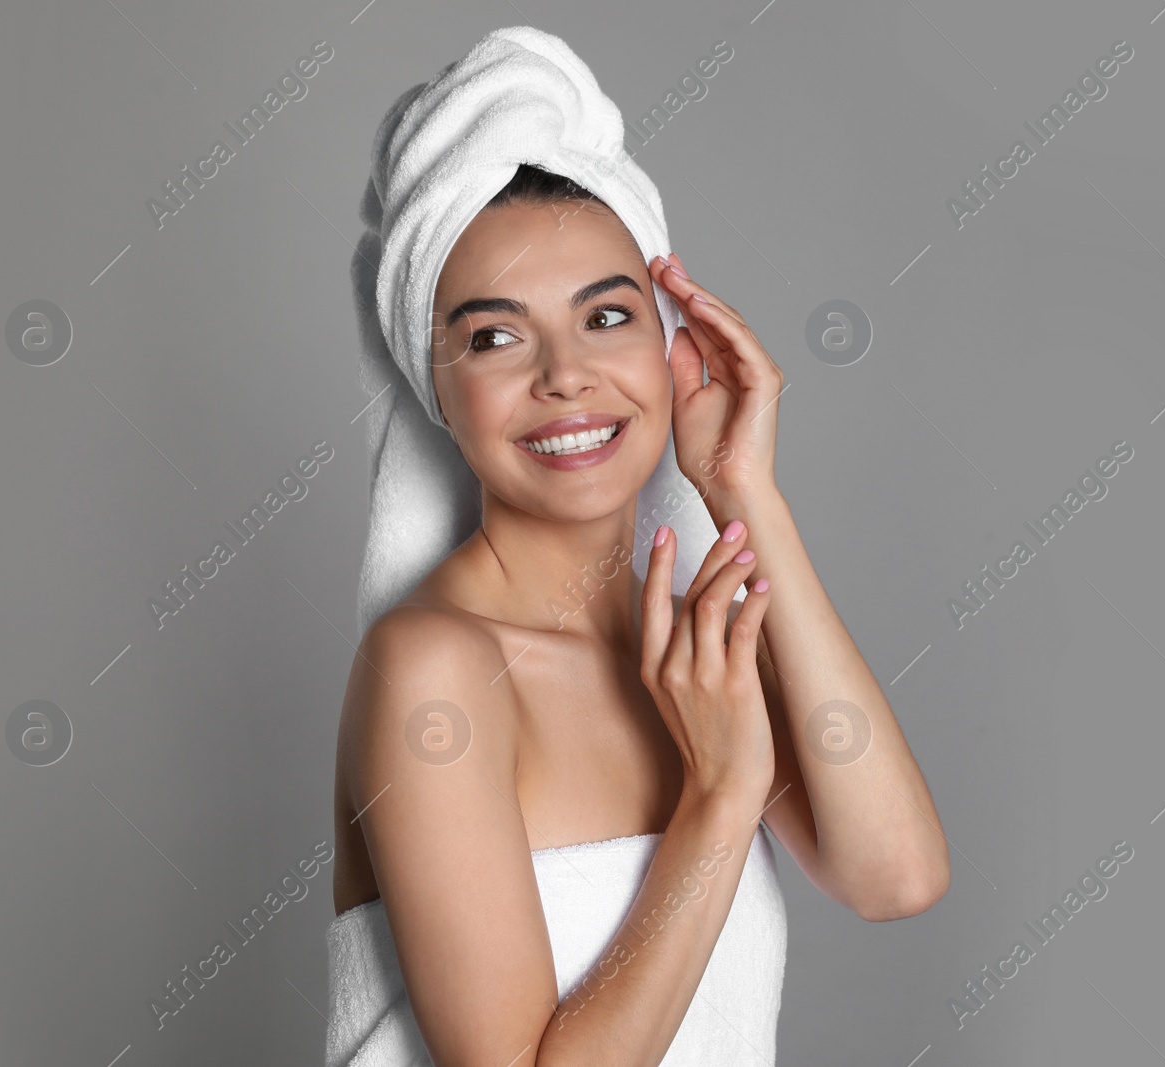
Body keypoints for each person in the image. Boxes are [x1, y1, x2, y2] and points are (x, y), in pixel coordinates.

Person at [325, 158, 950, 1067]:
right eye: (496, 338)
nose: (566, 376)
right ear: (437, 388)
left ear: (670, 343)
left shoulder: (692, 653)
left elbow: (897, 874)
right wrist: (723, 796)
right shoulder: (434, 671)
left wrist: (744, 492)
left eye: (607, 317)